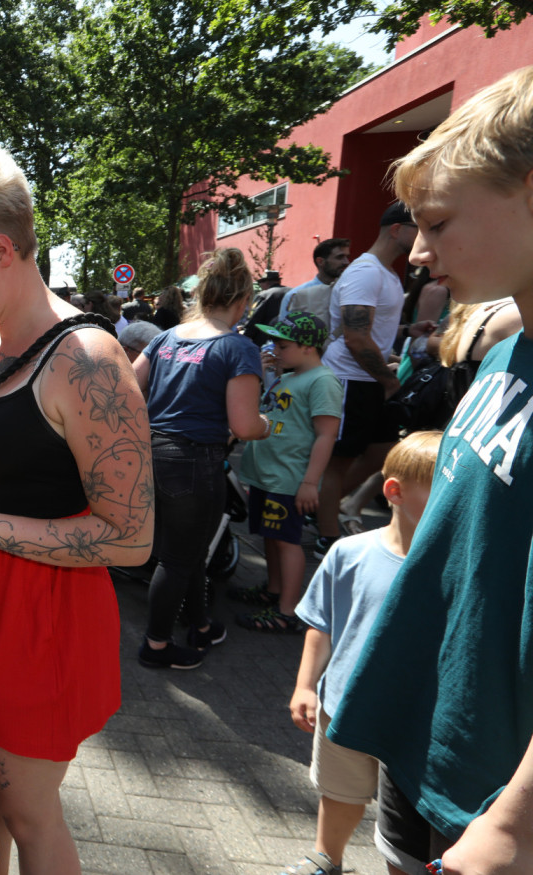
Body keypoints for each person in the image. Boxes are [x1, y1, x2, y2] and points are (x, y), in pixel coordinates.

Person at [0, 145, 153, 875]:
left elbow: (132, 539)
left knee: (27, 813)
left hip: (40, 623)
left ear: (2, 248)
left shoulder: (87, 360)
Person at [325, 65, 533, 875]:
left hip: (497, 806)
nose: (417, 252)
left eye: (439, 222)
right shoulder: (505, 353)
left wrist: (514, 821)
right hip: (427, 753)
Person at [285, 431, 440, 875]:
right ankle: (325, 857)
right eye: (443, 491)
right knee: (339, 792)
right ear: (395, 491)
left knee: (407, 818)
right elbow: (322, 624)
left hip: (415, 720)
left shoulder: (452, 568)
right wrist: (304, 685)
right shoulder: (350, 552)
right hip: (346, 707)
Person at [133, 247, 269, 669]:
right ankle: (155, 647)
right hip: (196, 462)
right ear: (241, 300)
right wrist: (267, 423)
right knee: (178, 558)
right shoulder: (236, 348)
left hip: (152, 455)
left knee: (188, 553)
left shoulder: (165, 337)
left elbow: (127, 391)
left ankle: (202, 625)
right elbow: (245, 427)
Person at [314, 202, 429, 557]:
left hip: (371, 380)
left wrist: (409, 329)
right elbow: (356, 337)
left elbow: (371, 330)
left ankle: (322, 508)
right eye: (418, 227)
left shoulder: (386, 272)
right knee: (338, 461)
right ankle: (326, 535)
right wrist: (390, 381)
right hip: (351, 380)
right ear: (396, 229)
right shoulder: (365, 272)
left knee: (382, 454)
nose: (424, 236)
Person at [233, 312, 342, 631]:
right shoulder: (289, 375)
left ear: (308, 347)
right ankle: (274, 590)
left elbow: (326, 434)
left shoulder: (322, 380)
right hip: (268, 474)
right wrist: (270, 371)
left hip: (289, 478)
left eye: (282, 345)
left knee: (287, 540)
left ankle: (288, 612)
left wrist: (310, 482)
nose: (274, 349)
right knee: (271, 535)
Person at [282, 238, 351, 323]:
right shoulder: (296, 295)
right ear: (320, 261)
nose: (346, 262)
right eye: (339, 257)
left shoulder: (351, 292)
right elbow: (285, 330)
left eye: (347, 257)